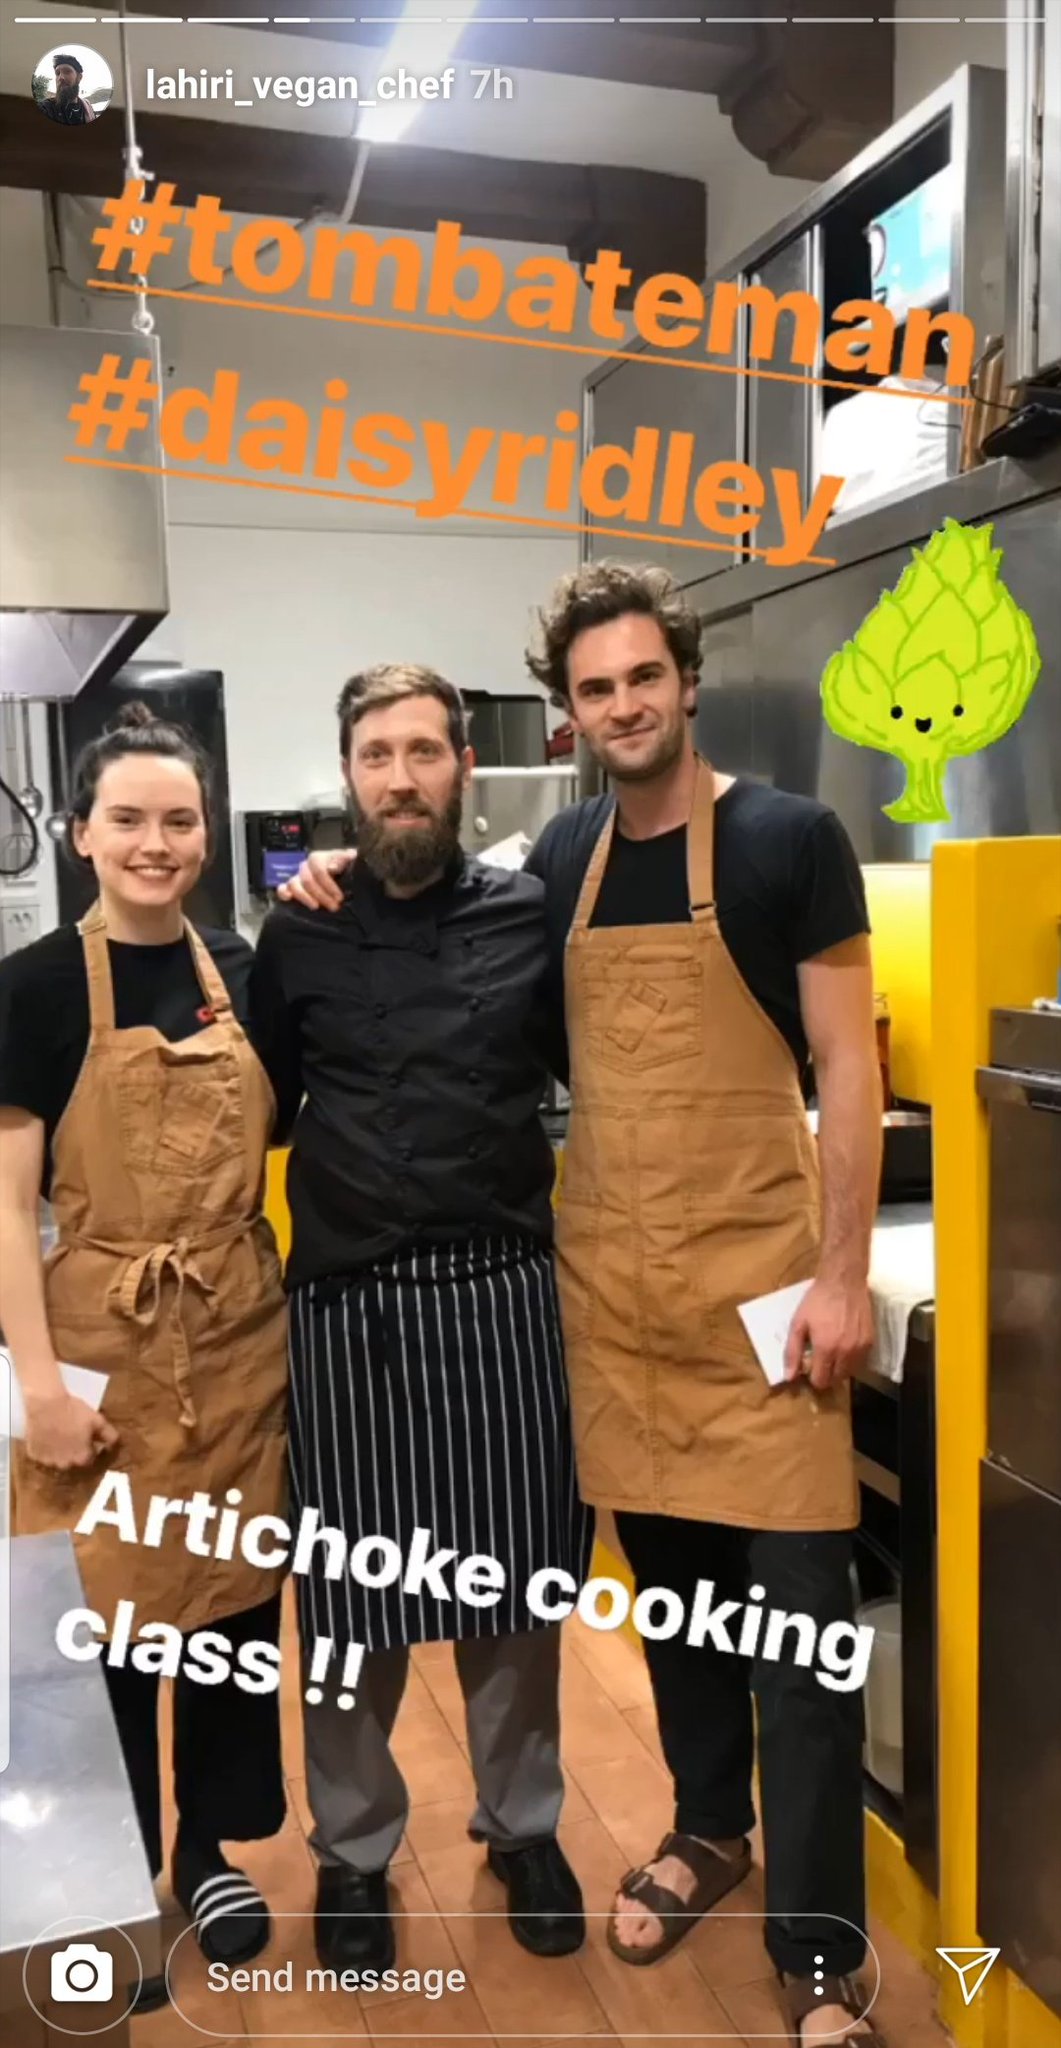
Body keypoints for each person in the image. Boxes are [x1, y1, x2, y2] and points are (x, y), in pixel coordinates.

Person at [287, 568, 885, 2046]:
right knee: (650, 1613)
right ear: (569, 715)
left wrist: (842, 1270)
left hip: (742, 1306)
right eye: (595, 689)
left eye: (642, 680)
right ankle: (685, 1831)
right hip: (582, 1307)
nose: (621, 706)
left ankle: (795, 1946)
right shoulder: (527, 865)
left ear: (683, 681)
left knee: (789, 1639)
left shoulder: (779, 842)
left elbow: (849, 1066)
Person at [248, 663, 592, 1979]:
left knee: (514, 1595)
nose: (402, 777)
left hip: (503, 1295)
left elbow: (595, 1073)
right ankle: (351, 1851)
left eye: (425, 753)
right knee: (347, 1601)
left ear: (461, 766)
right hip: (345, 1307)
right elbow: (262, 1102)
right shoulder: (300, 930)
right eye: (378, 755)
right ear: (348, 776)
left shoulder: (527, 914)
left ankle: (524, 1827)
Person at [0, 704, 288, 2012]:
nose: (156, 842)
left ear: (204, 833)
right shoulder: (36, 985)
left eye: (178, 820)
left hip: (233, 1343)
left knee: (229, 1614)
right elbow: (8, 1207)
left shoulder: (242, 966)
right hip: (99, 1356)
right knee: (100, 1628)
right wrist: (40, 1389)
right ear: (82, 835)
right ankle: (102, 1891)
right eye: (129, 819)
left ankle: (208, 1851)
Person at [39, 53, 97, 123]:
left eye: (67, 71)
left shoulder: (88, 108)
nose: (61, 77)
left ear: (79, 77)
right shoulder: (46, 108)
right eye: (57, 73)